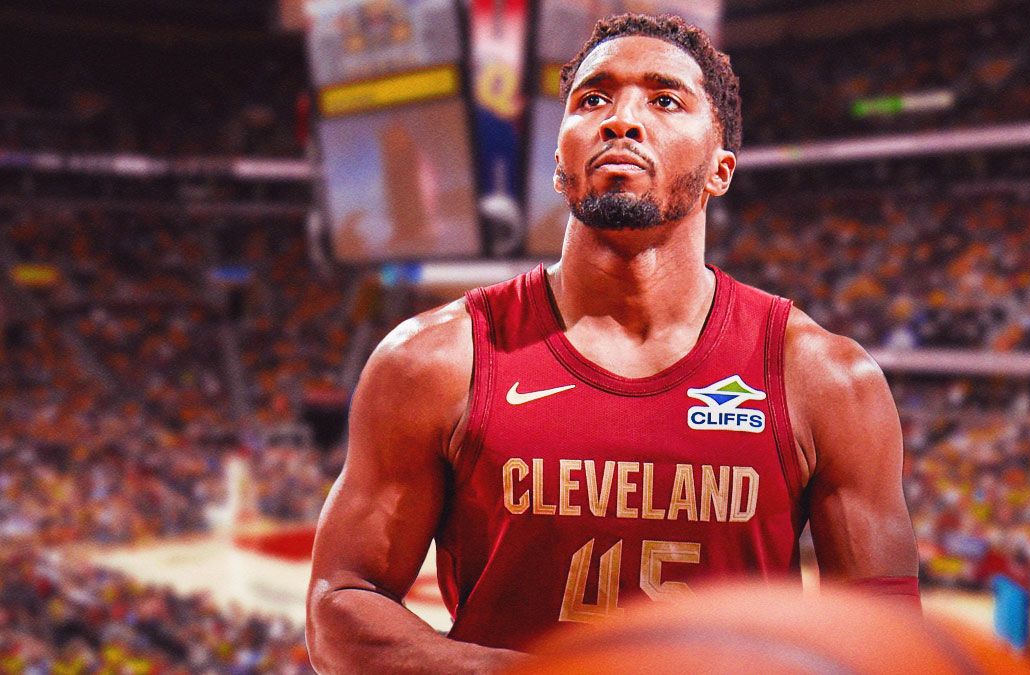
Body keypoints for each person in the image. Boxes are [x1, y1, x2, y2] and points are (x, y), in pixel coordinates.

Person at [306, 13, 919, 673]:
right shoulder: (432, 360)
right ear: (559, 165)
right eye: (592, 98)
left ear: (721, 169)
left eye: (664, 99)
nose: (620, 120)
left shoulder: (828, 378)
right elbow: (339, 606)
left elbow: (885, 642)